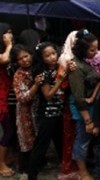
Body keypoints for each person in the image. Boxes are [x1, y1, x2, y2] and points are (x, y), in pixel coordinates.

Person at [28, 42, 67, 180]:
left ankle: (65, 170)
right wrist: (59, 80)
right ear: (41, 58)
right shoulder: (41, 73)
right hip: (47, 114)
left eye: (53, 53)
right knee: (41, 145)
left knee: (60, 142)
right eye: (47, 56)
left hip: (60, 112)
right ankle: (31, 175)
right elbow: (48, 95)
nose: (52, 57)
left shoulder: (59, 67)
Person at [68, 29, 100, 180]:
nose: (96, 52)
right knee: (82, 140)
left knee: (88, 140)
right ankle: (82, 172)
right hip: (83, 109)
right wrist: (87, 120)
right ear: (83, 50)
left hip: (91, 105)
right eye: (92, 49)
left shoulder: (88, 62)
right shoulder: (75, 68)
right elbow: (78, 97)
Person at [11, 44, 43, 178]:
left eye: (26, 56)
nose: (25, 60)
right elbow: (22, 98)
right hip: (25, 113)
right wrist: (36, 85)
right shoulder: (19, 75)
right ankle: (25, 170)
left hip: (37, 111)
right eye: (20, 59)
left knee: (36, 140)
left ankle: (36, 166)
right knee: (26, 142)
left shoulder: (36, 68)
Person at [57, 31, 79, 179]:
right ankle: (68, 168)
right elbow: (61, 85)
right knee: (70, 135)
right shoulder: (65, 58)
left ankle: (77, 164)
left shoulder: (81, 57)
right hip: (69, 103)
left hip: (79, 101)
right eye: (75, 41)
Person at [0, 23, 14, 177]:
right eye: (7, 33)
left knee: (9, 130)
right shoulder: (5, 51)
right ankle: (0, 164)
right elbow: (4, 59)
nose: (10, 36)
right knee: (7, 131)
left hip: (5, 95)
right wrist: (9, 45)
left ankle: (6, 157)